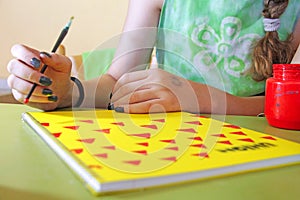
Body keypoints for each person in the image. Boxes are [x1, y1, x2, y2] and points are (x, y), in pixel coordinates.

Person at [7, 0, 300, 115]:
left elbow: (288, 106)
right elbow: (115, 83)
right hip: (169, 147)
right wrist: (67, 91)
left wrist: (196, 96)